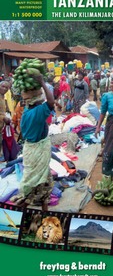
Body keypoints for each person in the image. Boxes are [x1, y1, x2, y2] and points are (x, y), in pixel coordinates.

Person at [11, 73, 55, 210]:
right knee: (35, 187)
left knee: (44, 185)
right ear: (36, 100)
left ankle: (44, 213)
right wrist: (42, 82)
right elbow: (51, 102)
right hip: (38, 152)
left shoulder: (26, 112)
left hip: (31, 150)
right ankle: (21, 212)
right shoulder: (37, 111)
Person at [0, 81, 11, 157]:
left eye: (6, 87)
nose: (4, 88)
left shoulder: (2, 97)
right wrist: (4, 118)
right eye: (2, 86)